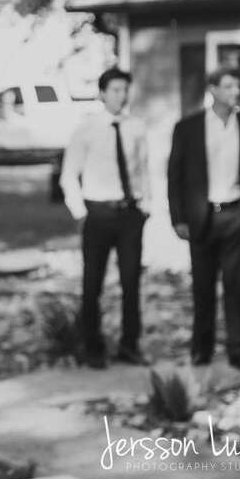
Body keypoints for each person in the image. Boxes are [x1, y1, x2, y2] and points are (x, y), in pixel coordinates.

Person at [168, 67, 240, 369]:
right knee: (203, 287)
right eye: (228, 86)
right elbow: (175, 176)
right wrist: (178, 219)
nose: (235, 92)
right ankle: (202, 349)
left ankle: (237, 350)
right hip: (201, 218)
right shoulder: (188, 128)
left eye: (237, 87)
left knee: (236, 287)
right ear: (212, 89)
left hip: (236, 216)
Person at [60, 67, 150, 369]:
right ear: (102, 93)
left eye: (124, 90)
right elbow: (69, 174)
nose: (120, 96)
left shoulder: (136, 127)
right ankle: (93, 347)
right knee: (92, 284)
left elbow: (143, 170)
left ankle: (129, 344)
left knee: (131, 282)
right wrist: (81, 212)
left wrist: (145, 205)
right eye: (114, 90)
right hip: (97, 213)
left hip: (129, 214)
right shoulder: (87, 129)